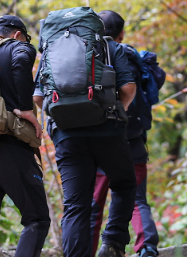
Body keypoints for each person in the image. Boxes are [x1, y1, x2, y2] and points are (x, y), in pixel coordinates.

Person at [34, 16, 137, 257]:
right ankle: (113, 243)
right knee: (123, 184)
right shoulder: (110, 46)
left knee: (75, 206)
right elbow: (128, 88)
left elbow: (39, 97)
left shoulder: (52, 49)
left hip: (67, 135)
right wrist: (115, 109)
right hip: (108, 131)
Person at [0, 15, 50, 257]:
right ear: (16, 34)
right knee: (37, 219)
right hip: (10, 145)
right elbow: (23, 58)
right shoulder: (16, 46)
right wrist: (25, 108)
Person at [90, 11, 165, 257]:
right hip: (132, 139)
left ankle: (86, 251)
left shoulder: (88, 55)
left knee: (93, 203)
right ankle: (146, 247)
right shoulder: (131, 56)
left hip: (97, 138)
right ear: (121, 34)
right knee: (136, 198)